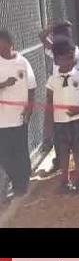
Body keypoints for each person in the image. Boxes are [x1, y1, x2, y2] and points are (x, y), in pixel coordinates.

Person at [39, 21, 79, 173]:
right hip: (60, 99)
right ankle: (60, 162)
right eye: (57, 36)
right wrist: (53, 27)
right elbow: (42, 37)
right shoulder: (55, 51)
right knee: (60, 136)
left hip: (76, 100)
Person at [45, 37, 79, 194]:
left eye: (70, 57)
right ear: (56, 60)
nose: (67, 61)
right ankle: (63, 180)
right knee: (63, 151)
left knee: (78, 150)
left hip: (77, 121)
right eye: (63, 58)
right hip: (60, 122)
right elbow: (49, 103)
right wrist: (48, 126)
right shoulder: (52, 80)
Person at [0, 30, 36, 198]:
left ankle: (21, 184)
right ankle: (13, 180)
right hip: (2, 118)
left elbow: (31, 86)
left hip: (19, 116)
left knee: (21, 151)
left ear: (9, 42)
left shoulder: (22, 62)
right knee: (5, 154)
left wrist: (29, 107)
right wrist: (3, 84)